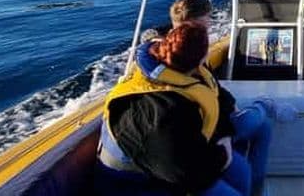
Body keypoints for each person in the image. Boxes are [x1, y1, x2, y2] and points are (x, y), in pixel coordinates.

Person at [143, 0, 276, 196]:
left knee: (260, 126)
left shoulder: (180, 49)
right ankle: (264, 106)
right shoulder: (182, 55)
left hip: (212, 123)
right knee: (256, 130)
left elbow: (212, 89)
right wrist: (223, 137)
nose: (209, 27)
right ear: (190, 24)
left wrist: (230, 108)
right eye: (205, 23)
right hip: (200, 135)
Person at [97, 22, 251, 196]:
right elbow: (185, 173)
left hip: (179, 156)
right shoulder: (161, 111)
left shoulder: (188, 72)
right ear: (200, 57)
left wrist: (224, 135)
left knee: (241, 172)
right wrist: (222, 154)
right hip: (135, 182)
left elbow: (217, 96)